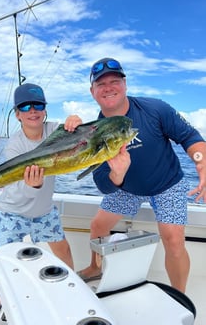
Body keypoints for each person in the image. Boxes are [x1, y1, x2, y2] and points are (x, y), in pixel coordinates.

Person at [77, 57, 206, 293]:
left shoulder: (155, 109)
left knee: (173, 239)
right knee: (98, 225)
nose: (108, 87)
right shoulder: (93, 132)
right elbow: (104, 186)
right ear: (92, 91)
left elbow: (190, 138)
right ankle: (96, 266)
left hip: (167, 183)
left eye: (115, 81)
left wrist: (201, 162)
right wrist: (117, 175)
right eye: (101, 84)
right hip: (127, 188)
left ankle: (179, 295)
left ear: (125, 84)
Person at [0, 82, 81, 325]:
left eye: (38, 105)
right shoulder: (15, 145)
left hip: (44, 211)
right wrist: (33, 186)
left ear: (45, 109)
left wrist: (76, 120)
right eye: (25, 106)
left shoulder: (56, 132)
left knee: (64, 251)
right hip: (13, 212)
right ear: (17, 114)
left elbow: (80, 131)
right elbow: (17, 189)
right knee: (1, 268)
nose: (32, 110)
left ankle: (71, 296)